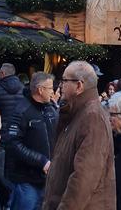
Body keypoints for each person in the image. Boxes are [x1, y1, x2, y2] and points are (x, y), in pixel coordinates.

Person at [42, 60, 116, 210]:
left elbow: (84, 178)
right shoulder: (77, 113)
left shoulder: (92, 117)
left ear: (79, 85)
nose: (60, 86)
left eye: (64, 80)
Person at [7, 71, 58, 209]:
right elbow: (13, 144)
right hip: (26, 180)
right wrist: (41, 161)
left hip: (48, 179)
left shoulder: (50, 109)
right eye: (50, 88)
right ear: (40, 90)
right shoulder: (21, 110)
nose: (53, 92)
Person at [0, 62, 25, 174]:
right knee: (14, 168)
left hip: (1, 134)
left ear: (2, 73)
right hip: (19, 132)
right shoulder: (24, 89)